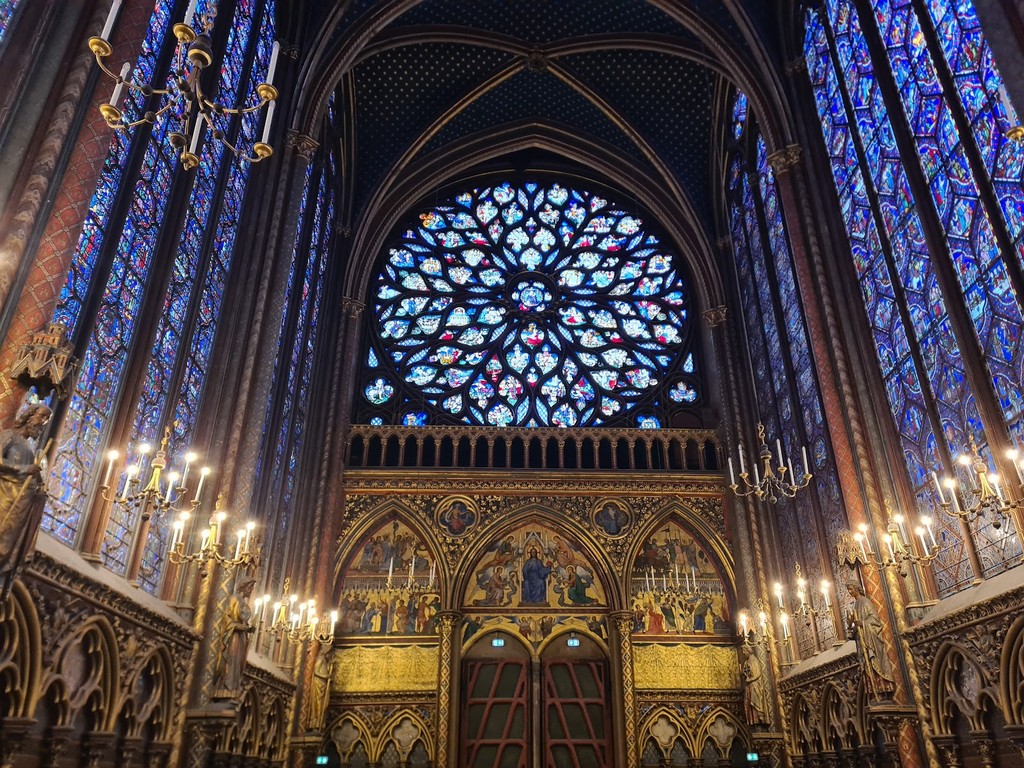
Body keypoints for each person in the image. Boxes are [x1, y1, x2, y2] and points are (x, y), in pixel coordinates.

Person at [0, 403, 51, 577]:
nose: (43, 422)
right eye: (41, 416)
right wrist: (22, 469)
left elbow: (30, 478)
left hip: (20, 505)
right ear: (29, 415)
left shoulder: (31, 451)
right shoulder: (10, 436)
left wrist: (39, 487)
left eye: (46, 419)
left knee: (6, 544)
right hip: (4, 495)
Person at [846, 581, 895, 697]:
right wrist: (851, 624)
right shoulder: (856, 604)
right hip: (861, 641)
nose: (849, 592)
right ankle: (874, 693)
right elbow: (854, 627)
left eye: (851, 589)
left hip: (870, 640)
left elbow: (875, 620)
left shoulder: (865, 602)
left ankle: (882, 691)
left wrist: (862, 623)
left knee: (873, 663)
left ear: (857, 588)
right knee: (866, 668)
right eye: (848, 589)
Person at [212, 577, 256, 696]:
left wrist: (248, 628)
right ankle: (225, 689)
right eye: (250, 587)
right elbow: (226, 618)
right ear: (243, 586)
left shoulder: (243, 602)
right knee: (231, 661)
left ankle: (233, 689)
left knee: (238, 663)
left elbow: (243, 622)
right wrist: (240, 627)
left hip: (241, 638)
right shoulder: (234, 599)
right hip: (233, 637)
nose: (251, 590)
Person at [306, 641, 334, 732]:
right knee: (317, 704)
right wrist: (326, 676)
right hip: (318, 684)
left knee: (322, 704)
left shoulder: (325, 661)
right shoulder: (321, 659)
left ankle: (319, 723)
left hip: (322, 684)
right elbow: (316, 672)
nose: (330, 654)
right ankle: (314, 723)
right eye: (329, 652)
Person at [741, 645, 772, 726]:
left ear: (748, 651)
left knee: (755, 701)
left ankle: (758, 720)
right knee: (749, 701)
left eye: (744, 651)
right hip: (749, 685)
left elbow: (758, 673)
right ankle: (753, 721)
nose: (743, 653)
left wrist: (751, 679)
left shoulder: (754, 660)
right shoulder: (746, 661)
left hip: (754, 685)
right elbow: (746, 672)